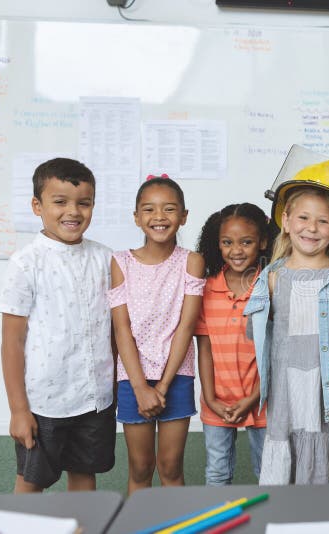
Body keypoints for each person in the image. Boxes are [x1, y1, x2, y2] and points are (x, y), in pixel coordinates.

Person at [244, 160, 329, 485]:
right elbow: (257, 335)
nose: (311, 228)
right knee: (291, 470)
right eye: (303, 217)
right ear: (286, 221)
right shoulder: (271, 279)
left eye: (322, 221)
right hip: (288, 393)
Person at [0, 158, 115, 493]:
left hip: (95, 397)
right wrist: (19, 410)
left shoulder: (106, 258)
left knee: (83, 479)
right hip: (45, 402)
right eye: (60, 202)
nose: (73, 212)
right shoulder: (25, 263)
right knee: (32, 482)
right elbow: (12, 343)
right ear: (37, 206)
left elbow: (115, 330)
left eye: (84, 203)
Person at [109, 175, 205, 495]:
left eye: (169, 209)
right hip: (133, 378)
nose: (159, 217)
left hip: (176, 376)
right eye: (149, 210)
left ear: (184, 216)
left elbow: (186, 327)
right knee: (140, 468)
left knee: (170, 466)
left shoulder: (192, 262)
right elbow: (121, 330)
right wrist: (140, 387)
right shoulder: (119, 262)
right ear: (137, 217)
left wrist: (162, 386)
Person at [194, 203, 276, 486]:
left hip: (262, 399)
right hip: (217, 401)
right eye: (227, 242)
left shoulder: (269, 286)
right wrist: (211, 398)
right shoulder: (206, 289)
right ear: (218, 244)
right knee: (216, 473)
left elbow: (275, 351)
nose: (236, 250)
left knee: (269, 473)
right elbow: (204, 348)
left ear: (263, 242)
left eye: (246, 242)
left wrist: (252, 398)